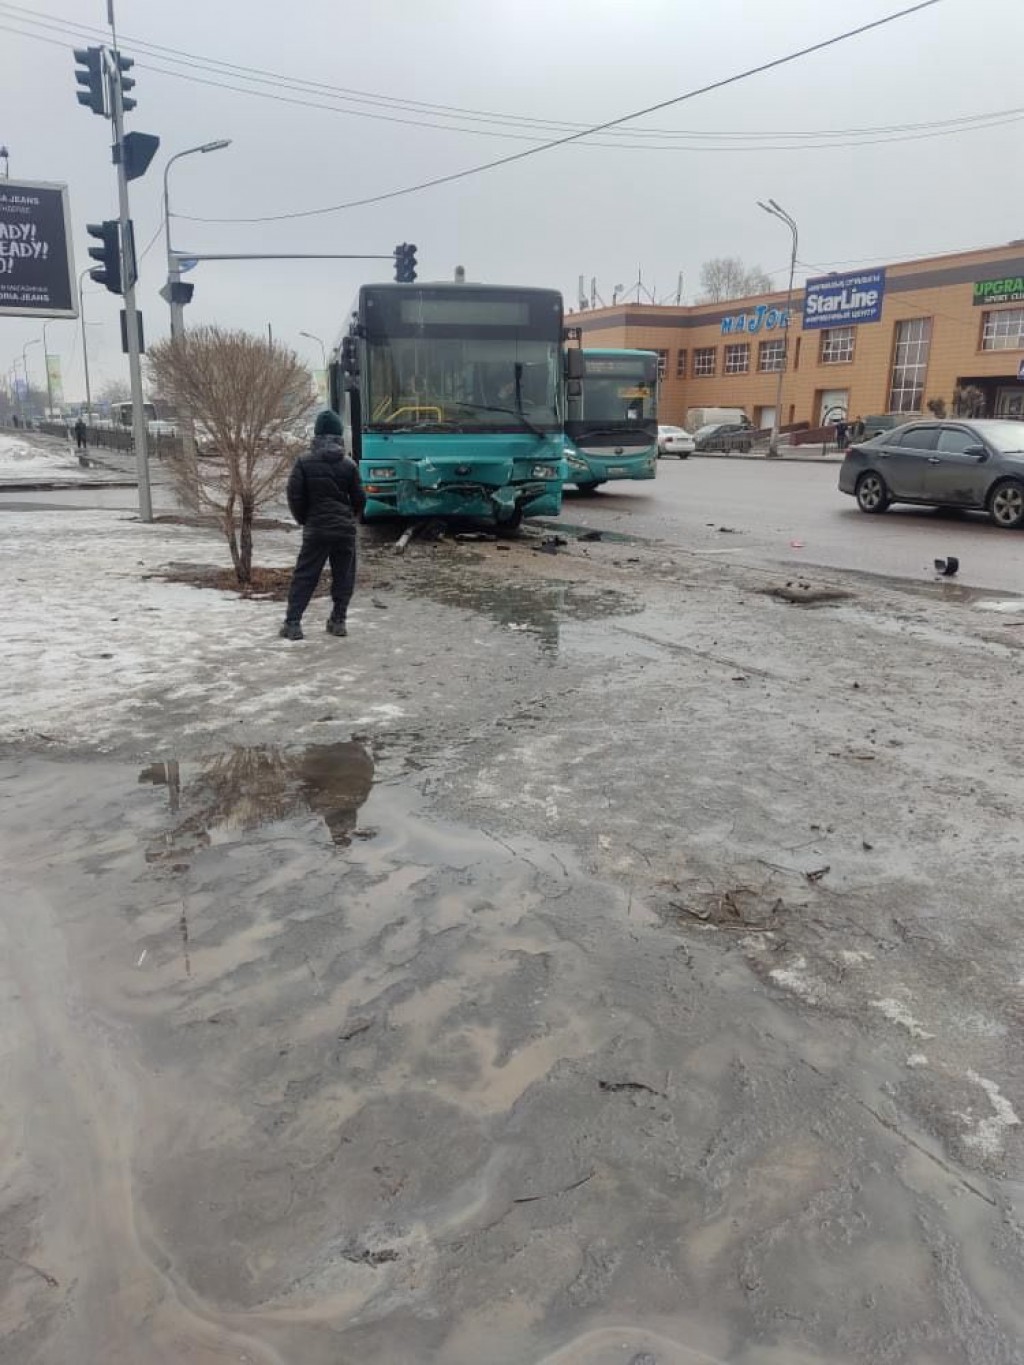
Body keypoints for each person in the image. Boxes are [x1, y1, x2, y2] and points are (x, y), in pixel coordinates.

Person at [280, 409, 365, 641]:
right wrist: (350, 517)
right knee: (344, 575)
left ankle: (293, 623)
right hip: (344, 530)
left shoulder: (303, 462)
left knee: (305, 575)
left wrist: (304, 519)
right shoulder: (349, 465)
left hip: (316, 528)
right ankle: (338, 621)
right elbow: (359, 498)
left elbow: (295, 496)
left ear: (316, 435)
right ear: (338, 435)